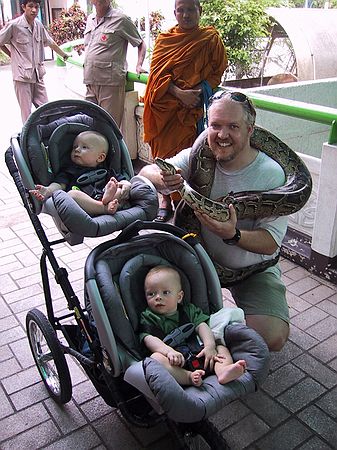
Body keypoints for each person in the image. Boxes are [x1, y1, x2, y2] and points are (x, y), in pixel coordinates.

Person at [139, 91, 290, 352]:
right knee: (160, 305)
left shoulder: (271, 174)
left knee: (272, 336)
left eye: (233, 126)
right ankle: (212, 332)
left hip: (252, 270)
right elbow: (146, 172)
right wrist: (164, 179)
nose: (222, 135)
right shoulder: (198, 155)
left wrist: (234, 234)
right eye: (215, 125)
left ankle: (219, 330)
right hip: (199, 261)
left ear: (250, 130)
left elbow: (270, 243)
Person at [142, 0, 228, 222]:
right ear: (175, 12)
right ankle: (164, 198)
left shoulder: (210, 39)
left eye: (191, 9)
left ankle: (184, 203)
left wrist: (198, 91)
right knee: (163, 156)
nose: (186, 14)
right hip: (166, 110)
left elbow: (217, 73)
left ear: (200, 11)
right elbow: (155, 78)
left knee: (187, 158)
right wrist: (180, 93)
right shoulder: (164, 41)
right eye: (181, 10)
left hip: (191, 113)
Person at [139, 265, 246, 387]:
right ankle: (188, 377)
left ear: (179, 297)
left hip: (202, 353)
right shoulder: (148, 317)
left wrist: (209, 346)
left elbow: (202, 326)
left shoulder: (189, 310)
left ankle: (223, 371)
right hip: (176, 361)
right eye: (151, 294)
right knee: (156, 358)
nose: (158, 297)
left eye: (165, 292)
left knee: (221, 348)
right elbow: (148, 339)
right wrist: (168, 352)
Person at [0, 0, 71, 123]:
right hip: (22, 77)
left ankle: (44, 136)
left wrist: (64, 55)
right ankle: (29, 140)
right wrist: (12, 55)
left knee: (46, 109)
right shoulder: (14, 25)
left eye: (36, 7)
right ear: (23, 7)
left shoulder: (38, 25)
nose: (34, 10)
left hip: (38, 75)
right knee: (27, 114)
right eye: (30, 6)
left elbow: (50, 43)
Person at [30, 130, 131, 215]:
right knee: (72, 195)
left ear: (100, 157)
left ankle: (108, 201)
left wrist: (126, 184)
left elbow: (121, 180)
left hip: (105, 196)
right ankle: (103, 208)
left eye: (84, 147)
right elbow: (59, 185)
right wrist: (48, 190)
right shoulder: (69, 171)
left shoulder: (106, 171)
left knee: (117, 187)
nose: (77, 150)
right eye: (75, 147)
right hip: (84, 205)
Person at [83, 0, 147, 127]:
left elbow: (140, 43)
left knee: (110, 127)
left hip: (110, 83)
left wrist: (139, 65)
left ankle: (113, 148)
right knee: (89, 124)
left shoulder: (121, 19)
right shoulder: (90, 19)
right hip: (90, 81)